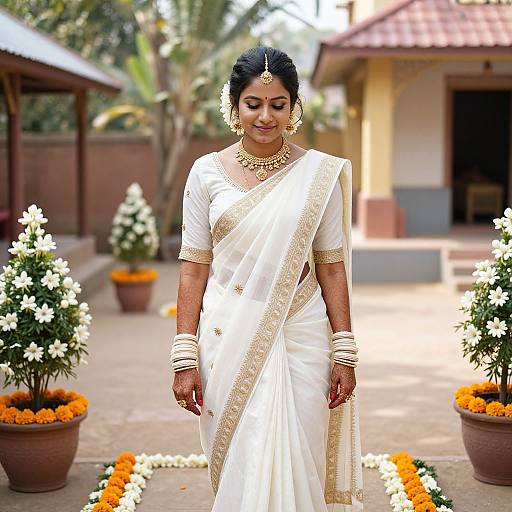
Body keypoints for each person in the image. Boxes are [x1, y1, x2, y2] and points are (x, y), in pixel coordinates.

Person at [171, 46, 363, 511]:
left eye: (278, 104)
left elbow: (331, 266)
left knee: (300, 448)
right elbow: (194, 267)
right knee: (244, 451)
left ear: (293, 107)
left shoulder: (318, 175)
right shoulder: (206, 174)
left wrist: (344, 348)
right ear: (234, 105)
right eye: (254, 104)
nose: (265, 116)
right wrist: (183, 353)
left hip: (300, 331)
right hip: (228, 332)